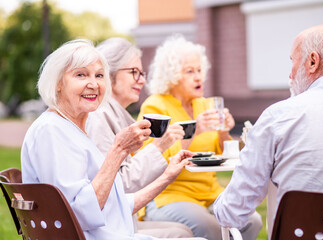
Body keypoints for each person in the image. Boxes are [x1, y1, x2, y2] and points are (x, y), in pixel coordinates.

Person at [20, 39, 205, 240]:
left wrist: (167, 176)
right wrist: (118, 150)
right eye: (80, 75)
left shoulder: (69, 128)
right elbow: (78, 215)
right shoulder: (52, 130)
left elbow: (115, 204)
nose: (93, 83)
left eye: (99, 75)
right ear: (58, 84)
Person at [213, 23, 323, 237]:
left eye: (293, 61)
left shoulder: (279, 118)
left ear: (312, 61)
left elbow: (231, 213)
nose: (290, 74)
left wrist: (219, 203)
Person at [137, 34, 262, 240]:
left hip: (210, 193)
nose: (198, 77)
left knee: (251, 220)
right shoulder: (155, 106)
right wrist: (195, 130)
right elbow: (154, 160)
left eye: (199, 70)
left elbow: (224, 153)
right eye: (189, 72)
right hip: (171, 195)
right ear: (172, 76)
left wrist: (224, 131)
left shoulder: (204, 105)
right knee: (211, 228)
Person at [86, 37, 193, 238]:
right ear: (109, 73)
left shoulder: (113, 115)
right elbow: (118, 186)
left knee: (183, 231)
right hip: (108, 226)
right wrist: (159, 147)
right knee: (183, 234)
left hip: (119, 219)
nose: (142, 80)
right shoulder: (99, 118)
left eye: (142, 73)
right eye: (134, 72)